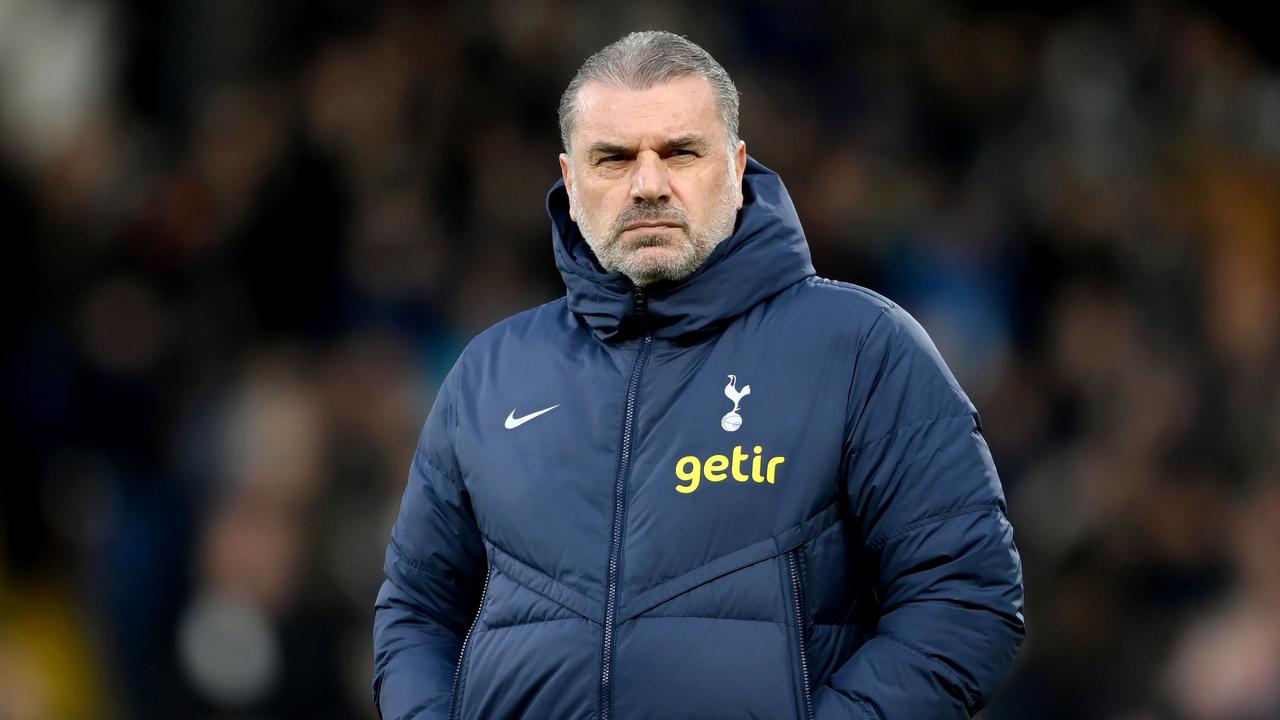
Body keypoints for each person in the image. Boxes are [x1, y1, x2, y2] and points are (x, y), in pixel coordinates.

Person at [372, 30, 1025, 720]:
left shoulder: (863, 349)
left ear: (737, 165)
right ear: (569, 180)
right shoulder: (490, 373)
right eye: (614, 159)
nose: (649, 184)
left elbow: (964, 600)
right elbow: (416, 613)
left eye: (681, 152)